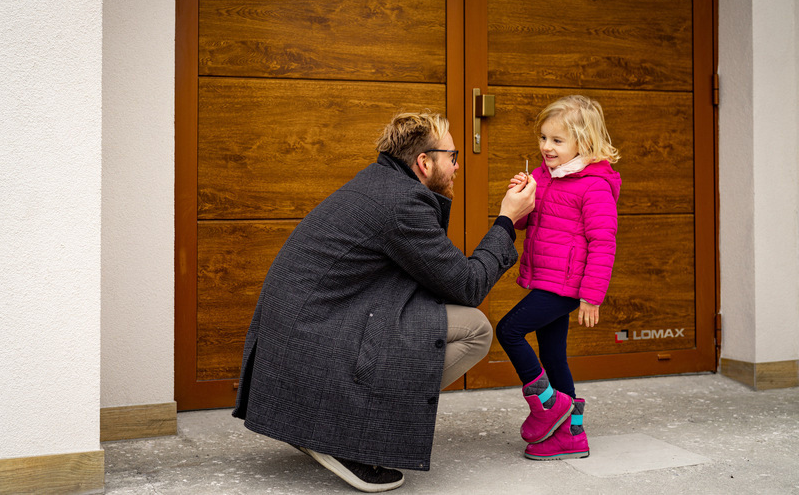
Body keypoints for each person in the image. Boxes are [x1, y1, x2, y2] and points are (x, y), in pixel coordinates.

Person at [232, 111, 537, 492]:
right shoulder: (402, 203)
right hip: (315, 335)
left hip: (305, 330)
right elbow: (467, 285)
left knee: (433, 320)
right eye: (453, 156)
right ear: (424, 163)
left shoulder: (382, 182)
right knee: (475, 329)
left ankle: (319, 422)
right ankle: (347, 435)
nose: (458, 166)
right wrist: (508, 219)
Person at [496, 95, 621, 461]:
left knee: (509, 330)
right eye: (543, 138)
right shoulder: (541, 176)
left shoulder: (594, 185)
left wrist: (592, 295)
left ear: (583, 143)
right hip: (546, 278)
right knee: (552, 353)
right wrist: (518, 198)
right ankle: (571, 434)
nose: (546, 147)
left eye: (557, 140)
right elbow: (522, 222)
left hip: (566, 284)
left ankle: (548, 405)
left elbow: (603, 242)